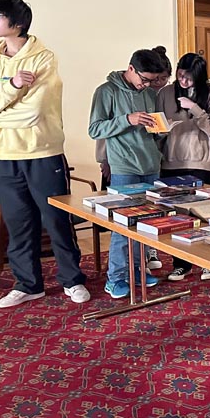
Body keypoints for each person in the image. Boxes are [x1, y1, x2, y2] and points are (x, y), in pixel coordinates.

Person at [0, 0, 88, 308]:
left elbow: (33, 112)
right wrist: (12, 86)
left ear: (19, 22)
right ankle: (28, 284)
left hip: (43, 152)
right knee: (18, 224)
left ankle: (72, 280)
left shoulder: (43, 58)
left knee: (56, 220)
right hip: (5, 155)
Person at [88, 49, 168, 299]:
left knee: (146, 225)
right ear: (131, 68)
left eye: (152, 81)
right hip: (124, 168)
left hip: (151, 165)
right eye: (144, 79)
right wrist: (127, 119)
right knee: (123, 227)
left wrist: (160, 129)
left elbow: (150, 130)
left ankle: (137, 270)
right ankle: (115, 278)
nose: (147, 85)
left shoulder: (148, 93)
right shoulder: (106, 91)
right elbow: (95, 129)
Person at [157, 53, 210, 283]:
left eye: (189, 77)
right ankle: (181, 265)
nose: (183, 81)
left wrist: (195, 108)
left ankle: (207, 262)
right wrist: (162, 130)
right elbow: (156, 129)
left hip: (200, 162)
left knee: (203, 215)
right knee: (177, 218)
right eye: (180, 75)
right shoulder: (165, 93)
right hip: (171, 161)